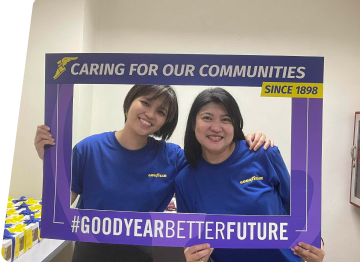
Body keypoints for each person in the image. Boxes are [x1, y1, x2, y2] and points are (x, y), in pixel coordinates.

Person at [34, 84, 274, 262]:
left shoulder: (174, 157)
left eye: (161, 112)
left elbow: (217, 164)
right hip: (91, 253)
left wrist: (246, 144)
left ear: (166, 121)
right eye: (146, 103)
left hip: (143, 255)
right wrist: (51, 164)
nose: (150, 114)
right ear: (130, 101)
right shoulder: (89, 148)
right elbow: (60, 207)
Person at [175, 87, 325, 262]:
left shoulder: (263, 154)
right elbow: (191, 240)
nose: (216, 127)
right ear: (193, 124)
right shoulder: (184, 180)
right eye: (207, 118)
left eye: (226, 119)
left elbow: (299, 207)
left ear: (235, 124)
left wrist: (316, 240)